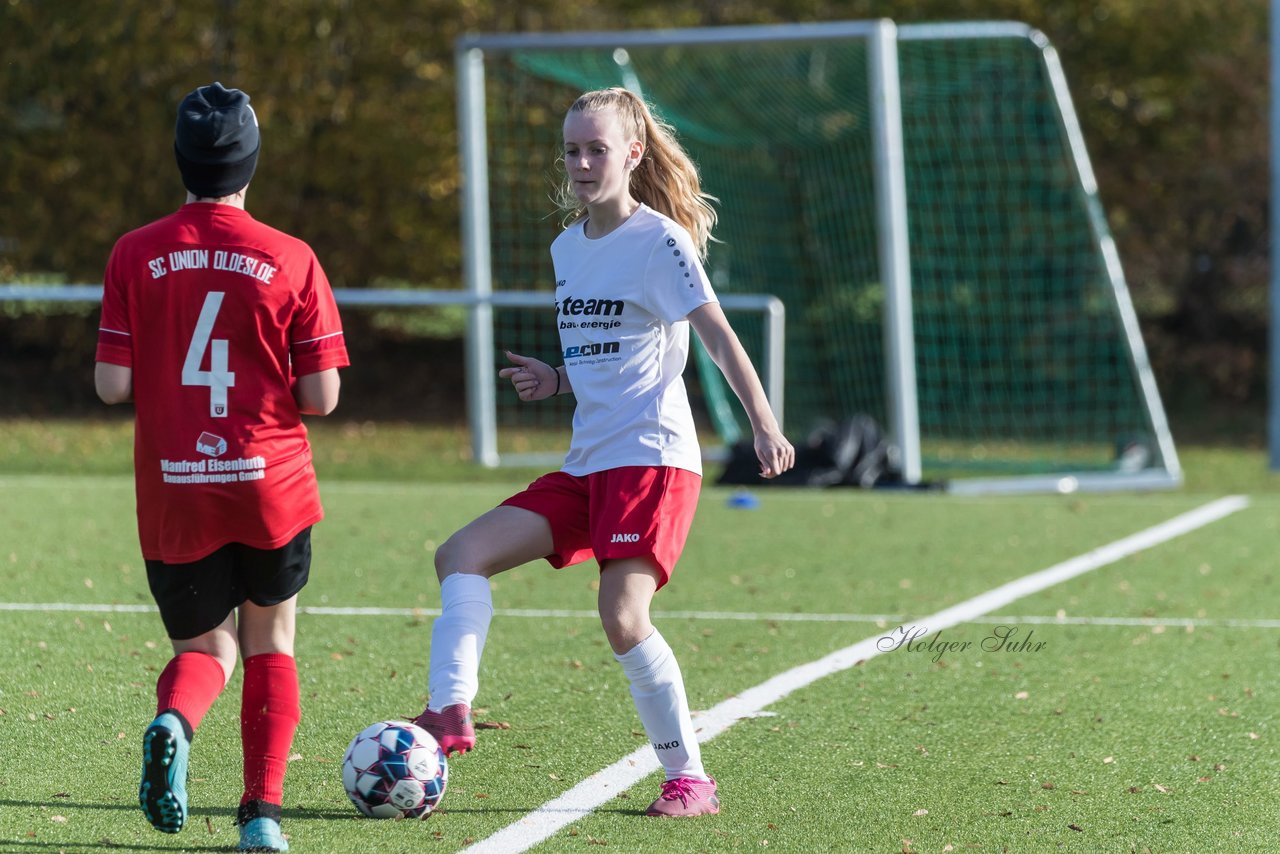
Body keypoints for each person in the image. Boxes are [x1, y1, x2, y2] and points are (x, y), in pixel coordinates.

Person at [414, 87, 795, 818]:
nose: (582, 163)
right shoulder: (566, 246)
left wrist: (764, 422)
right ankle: (449, 711)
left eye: (596, 148)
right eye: (571, 149)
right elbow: (611, 349)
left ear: (632, 153)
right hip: (588, 463)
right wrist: (556, 378)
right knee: (459, 554)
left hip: (651, 460)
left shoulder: (660, 242)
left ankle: (691, 780)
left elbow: (715, 337)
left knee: (622, 616)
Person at [95, 82, 349, 852]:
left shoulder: (134, 252)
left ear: (181, 158)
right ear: (251, 161)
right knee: (270, 640)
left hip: (177, 487)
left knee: (206, 650)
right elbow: (324, 396)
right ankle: (262, 819)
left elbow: (110, 385)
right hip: (270, 485)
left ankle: (175, 721)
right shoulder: (291, 257)